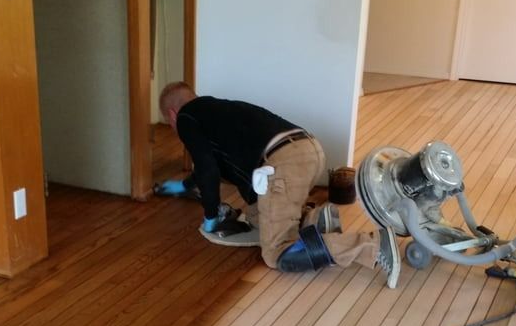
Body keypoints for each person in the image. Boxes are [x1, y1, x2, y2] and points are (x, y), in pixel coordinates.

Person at [157, 81, 398, 280]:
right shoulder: (213, 111)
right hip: (307, 150)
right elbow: (208, 166)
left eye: (170, 124)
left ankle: (375, 245)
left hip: (283, 165)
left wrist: (210, 217)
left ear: (172, 115)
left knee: (277, 254)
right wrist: (185, 186)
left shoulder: (187, 118)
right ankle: (314, 220)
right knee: (256, 219)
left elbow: (208, 170)